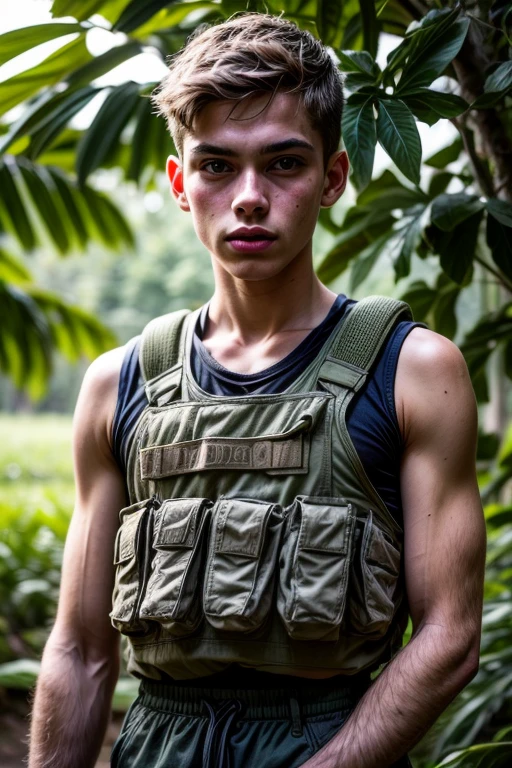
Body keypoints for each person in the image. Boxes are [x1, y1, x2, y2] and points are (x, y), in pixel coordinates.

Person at [29, 12, 486, 768]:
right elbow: (79, 651)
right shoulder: (120, 383)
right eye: (216, 166)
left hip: (336, 741)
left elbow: (449, 637)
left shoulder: (411, 371)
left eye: (283, 164)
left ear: (332, 177)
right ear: (180, 183)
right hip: (157, 743)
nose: (248, 197)